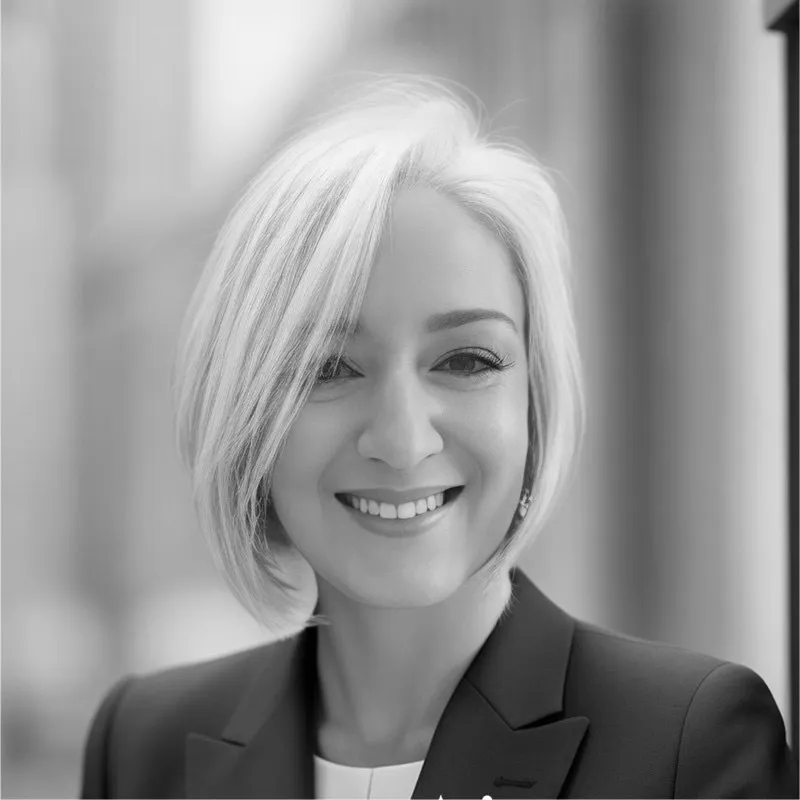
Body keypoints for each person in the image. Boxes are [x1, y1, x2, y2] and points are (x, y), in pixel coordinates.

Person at [80, 77, 797, 799]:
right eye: (330, 368)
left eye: (466, 361)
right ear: (246, 410)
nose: (402, 439)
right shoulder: (143, 743)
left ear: (535, 402)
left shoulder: (688, 743)